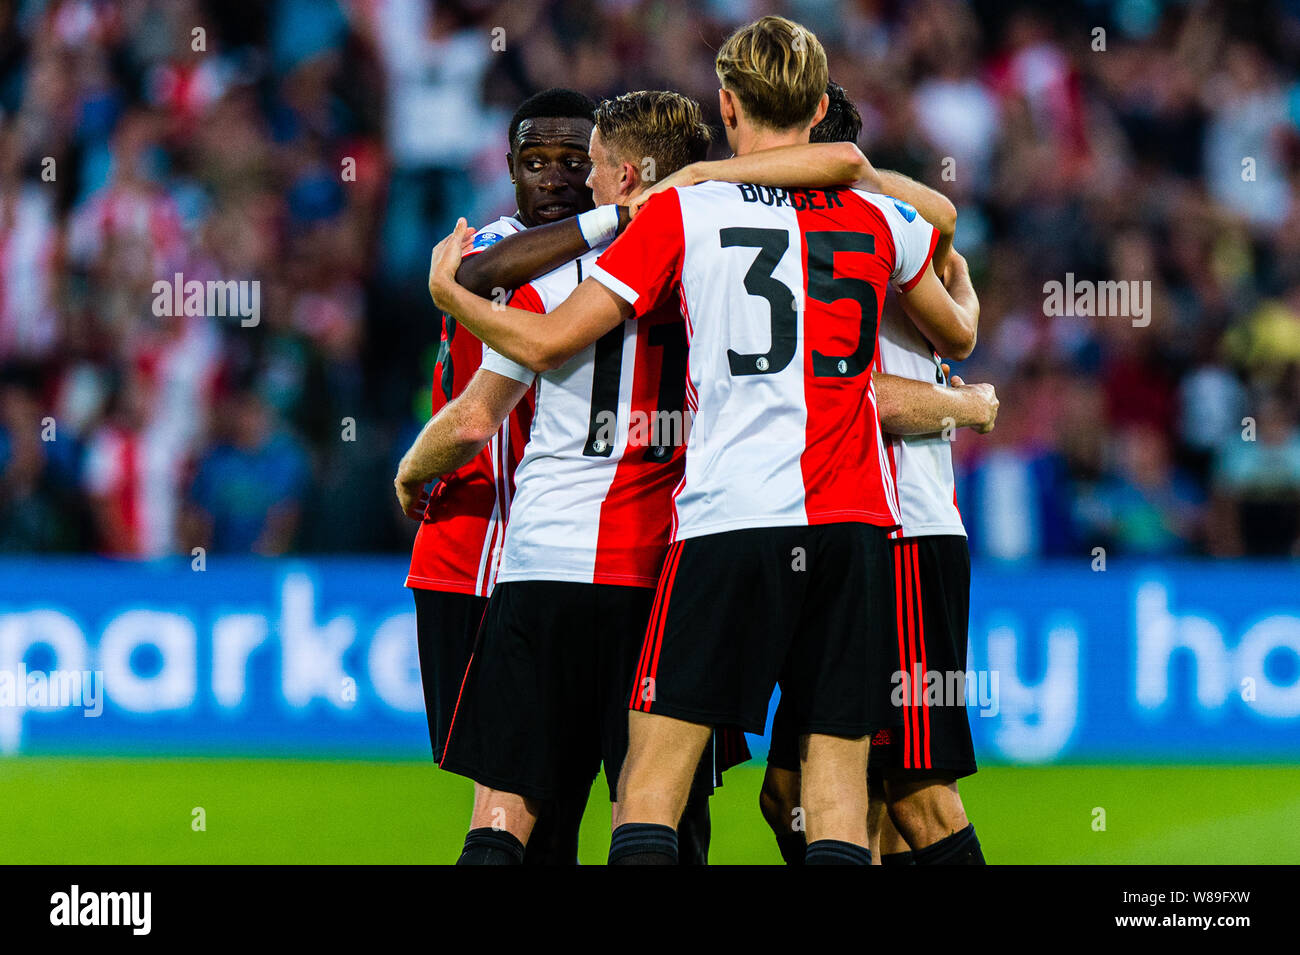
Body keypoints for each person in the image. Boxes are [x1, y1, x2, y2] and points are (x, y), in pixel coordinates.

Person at [426, 16, 980, 864]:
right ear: (821, 103)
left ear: (726, 102)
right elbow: (948, 300)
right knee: (831, 799)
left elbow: (540, 345)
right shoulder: (877, 219)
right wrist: (971, 382)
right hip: (859, 524)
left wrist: (451, 293)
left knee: (648, 789)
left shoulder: (685, 210)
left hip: (726, 522)